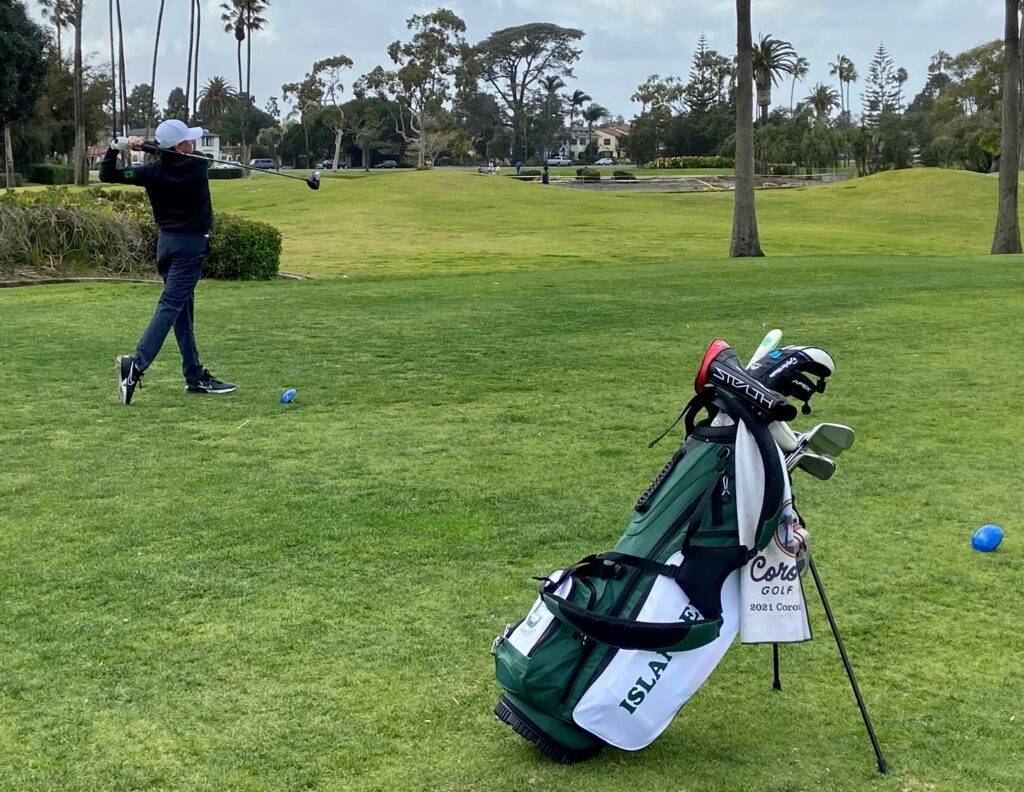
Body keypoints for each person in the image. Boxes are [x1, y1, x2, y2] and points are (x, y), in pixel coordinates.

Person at [100, 119, 236, 405]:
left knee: (182, 313)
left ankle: (194, 376)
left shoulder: (151, 173)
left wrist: (116, 147)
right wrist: (149, 147)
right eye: (188, 140)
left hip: (167, 246)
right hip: (190, 248)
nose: (193, 144)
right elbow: (179, 158)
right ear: (178, 147)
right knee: (170, 305)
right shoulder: (197, 166)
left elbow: (106, 173)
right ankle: (135, 366)